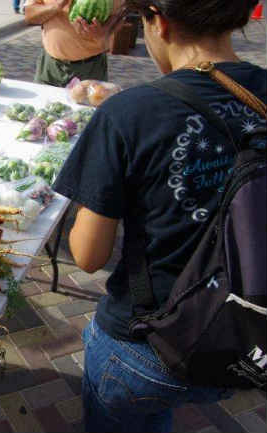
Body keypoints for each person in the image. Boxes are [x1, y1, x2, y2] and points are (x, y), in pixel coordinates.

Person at [52, 0, 266, 432]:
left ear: (159, 21)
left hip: (145, 348)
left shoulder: (129, 112)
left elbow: (89, 256)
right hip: (246, 340)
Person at [24, 0, 123, 86]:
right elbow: (29, 16)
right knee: (42, 106)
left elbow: (118, 16)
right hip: (50, 66)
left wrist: (104, 31)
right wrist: (57, 5)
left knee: (88, 107)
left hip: (90, 69)